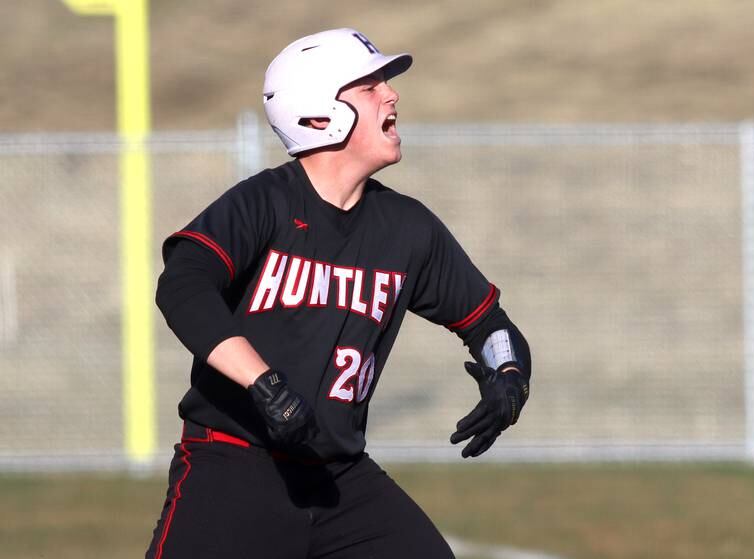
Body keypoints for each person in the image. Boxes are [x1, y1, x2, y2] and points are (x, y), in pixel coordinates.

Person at [145, 28, 532, 559]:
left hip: (339, 480)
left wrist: (509, 377)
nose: (391, 95)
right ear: (319, 115)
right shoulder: (264, 203)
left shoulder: (406, 228)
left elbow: (490, 325)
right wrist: (263, 383)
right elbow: (182, 285)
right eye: (370, 86)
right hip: (233, 466)